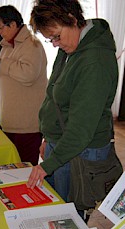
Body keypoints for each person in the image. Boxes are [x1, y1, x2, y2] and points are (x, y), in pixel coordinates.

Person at [27, 0, 119, 216]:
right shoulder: (71, 47)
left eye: (56, 36)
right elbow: (55, 97)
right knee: (58, 209)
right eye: (50, 39)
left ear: (72, 18)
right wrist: (49, 139)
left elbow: (81, 130)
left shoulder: (94, 61)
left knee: (69, 216)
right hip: (63, 144)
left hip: (81, 150)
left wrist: (48, 165)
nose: (55, 44)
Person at [0, 5, 47, 166]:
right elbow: (6, 73)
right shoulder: (7, 45)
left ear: (12, 24)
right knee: (11, 167)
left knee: (24, 167)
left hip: (26, 123)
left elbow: (28, 75)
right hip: (10, 118)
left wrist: (2, 64)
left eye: (0, 27)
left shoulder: (32, 44)